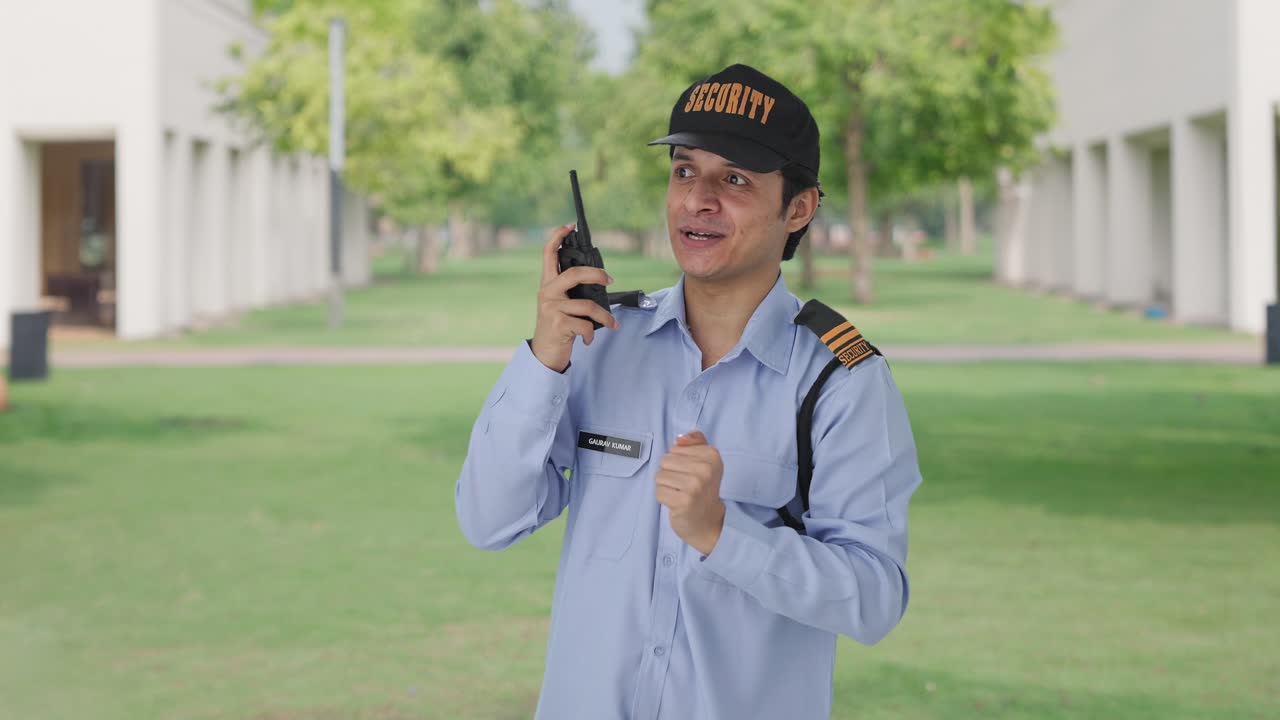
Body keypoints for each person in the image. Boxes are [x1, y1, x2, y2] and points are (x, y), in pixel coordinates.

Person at [455, 63, 923, 720]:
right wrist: (543, 360)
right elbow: (487, 521)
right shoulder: (598, 341)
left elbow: (873, 599)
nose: (697, 200)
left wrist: (721, 531)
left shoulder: (840, 380)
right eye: (683, 171)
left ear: (799, 207)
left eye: (734, 179)